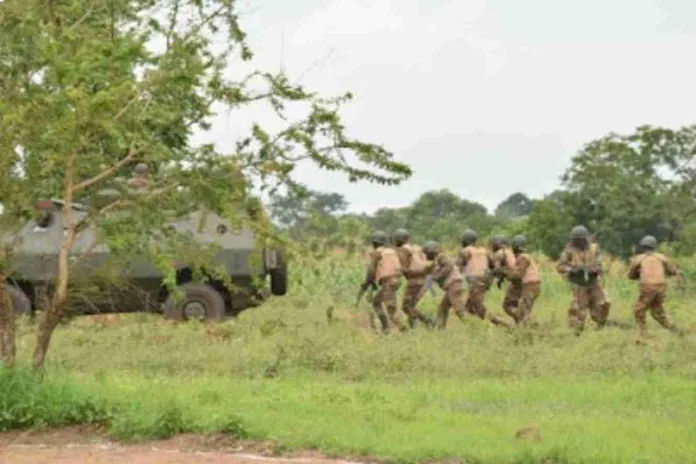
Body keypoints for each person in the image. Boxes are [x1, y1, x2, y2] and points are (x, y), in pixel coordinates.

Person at [556, 225, 610, 334]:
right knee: (580, 311)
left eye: (579, 240)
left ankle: (600, 325)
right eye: (575, 240)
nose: (577, 243)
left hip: (594, 281)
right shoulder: (569, 251)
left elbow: (599, 263)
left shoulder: (594, 248)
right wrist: (572, 269)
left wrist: (595, 269)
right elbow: (559, 266)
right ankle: (577, 331)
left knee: (604, 304)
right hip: (579, 283)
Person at [627, 235, 683, 336]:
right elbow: (673, 271)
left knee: (638, 310)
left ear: (643, 246)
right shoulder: (662, 257)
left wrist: (639, 273)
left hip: (647, 286)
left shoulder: (639, 258)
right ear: (654, 246)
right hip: (661, 286)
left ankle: (642, 334)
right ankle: (674, 329)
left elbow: (630, 275)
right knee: (657, 312)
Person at [361, 230, 405, 332]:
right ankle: (386, 327)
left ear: (374, 243)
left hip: (388, 282)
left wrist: (367, 283)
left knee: (391, 309)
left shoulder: (377, 253)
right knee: (376, 302)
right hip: (395, 281)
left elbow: (371, 270)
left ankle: (403, 329)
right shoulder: (391, 251)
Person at [392, 229, 435, 328]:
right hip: (425, 280)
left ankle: (427, 321)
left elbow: (405, 267)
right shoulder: (417, 248)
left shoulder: (403, 249)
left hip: (415, 280)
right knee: (411, 305)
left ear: (399, 240)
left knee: (406, 307)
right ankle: (413, 326)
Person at [420, 240, 467, 329]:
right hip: (451, 286)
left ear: (431, 252)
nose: (425, 255)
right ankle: (440, 328)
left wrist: (437, 276)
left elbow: (449, 265)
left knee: (459, 310)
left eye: (426, 253)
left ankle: (473, 325)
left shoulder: (441, 257)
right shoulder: (435, 261)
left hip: (454, 284)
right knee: (442, 308)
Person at [505, 235, 541, 325]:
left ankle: (530, 327)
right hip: (532, 286)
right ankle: (526, 326)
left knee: (523, 314)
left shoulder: (523, 257)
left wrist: (505, 274)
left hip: (530, 286)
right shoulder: (523, 256)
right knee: (522, 311)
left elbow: (518, 275)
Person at [490, 235, 519, 322]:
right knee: (515, 304)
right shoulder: (511, 252)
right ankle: (521, 323)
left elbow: (497, 269)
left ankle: (524, 319)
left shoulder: (500, 252)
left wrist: (496, 277)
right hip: (520, 280)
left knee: (507, 305)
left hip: (516, 281)